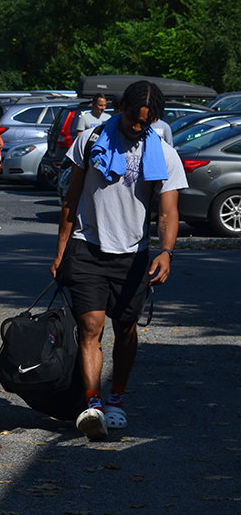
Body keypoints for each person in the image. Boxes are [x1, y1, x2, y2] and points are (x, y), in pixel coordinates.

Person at [50, 80, 188, 440]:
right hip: (87, 247)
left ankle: (115, 399)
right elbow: (72, 197)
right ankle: (93, 404)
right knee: (91, 326)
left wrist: (167, 252)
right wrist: (61, 249)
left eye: (146, 122)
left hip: (133, 254)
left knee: (125, 329)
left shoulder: (164, 154)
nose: (137, 127)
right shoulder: (91, 140)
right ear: (121, 107)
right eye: (132, 118)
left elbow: (169, 212)